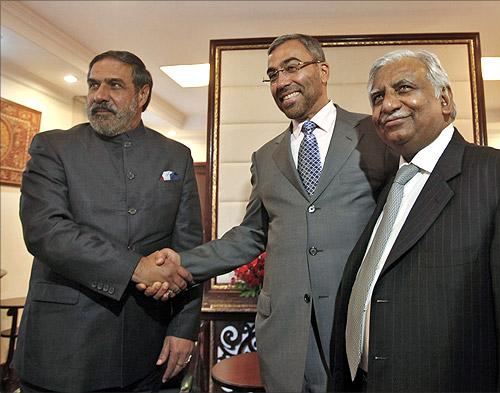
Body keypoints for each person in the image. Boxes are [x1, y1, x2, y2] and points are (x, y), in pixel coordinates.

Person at [142, 34, 398, 392]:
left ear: (323, 71)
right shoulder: (265, 157)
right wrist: (183, 262)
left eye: (291, 68)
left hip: (357, 327)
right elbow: (251, 235)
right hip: (286, 337)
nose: (281, 82)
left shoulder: (373, 133)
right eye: (273, 75)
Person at [329, 49, 500, 392]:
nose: (388, 104)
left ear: (444, 99)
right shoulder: (389, 189)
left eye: (404, 88)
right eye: (377, 97)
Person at [15, 50, 202, 392]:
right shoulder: (54, 147)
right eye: (94, 85)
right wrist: (135, 268)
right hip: (63, 351)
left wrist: (183, 327)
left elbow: (188, 249)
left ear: (142, 94)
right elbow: (47, 231)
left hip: (148, 351)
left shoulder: (176, 156)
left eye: (114, 85)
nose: (100, 95)